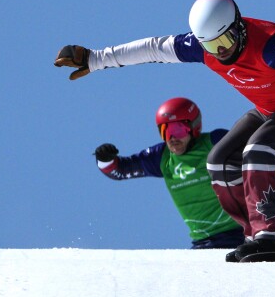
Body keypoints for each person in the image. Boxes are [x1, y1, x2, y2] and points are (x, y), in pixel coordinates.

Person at [56, 0, 275, 262]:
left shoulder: (269, 44)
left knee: (258, 151)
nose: (220, 52)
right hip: (272, 107)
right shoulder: (202, 48)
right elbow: (153, 48)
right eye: (210, 45)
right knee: (220, 160)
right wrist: (95, 59)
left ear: (239, 26)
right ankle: (255, 233)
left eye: (224, 42)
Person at [93, 96, 244, 249]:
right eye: (165, 131)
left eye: (177, 130)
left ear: (194, 127)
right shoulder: (162, 156)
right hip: (204, 245)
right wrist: (105, 159)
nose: (171, 138)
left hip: (242, 236)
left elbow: (256, 156)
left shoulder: (214, 142)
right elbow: (120, 170)